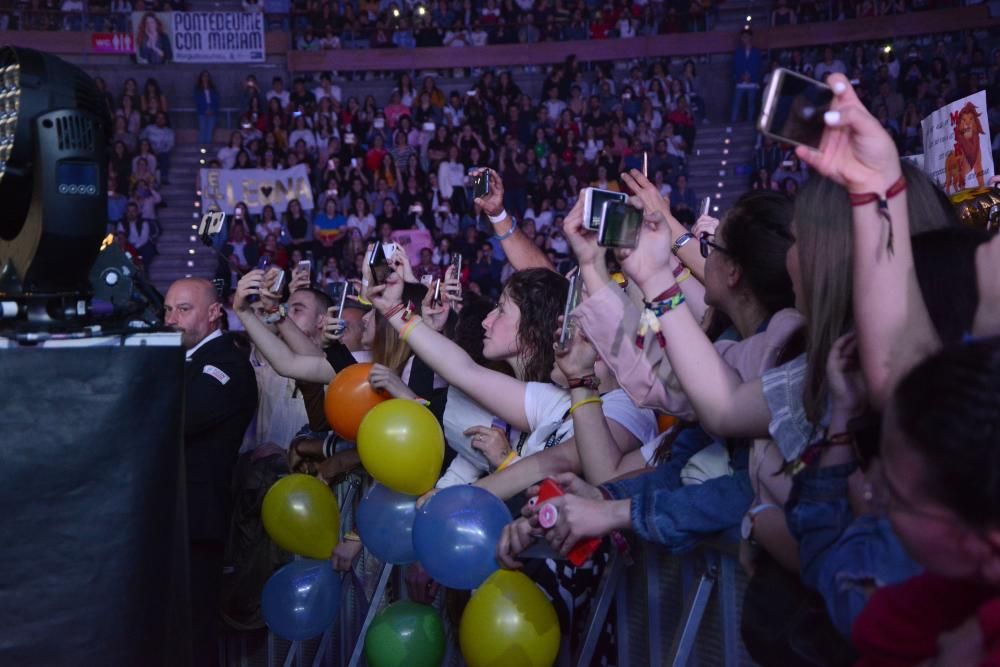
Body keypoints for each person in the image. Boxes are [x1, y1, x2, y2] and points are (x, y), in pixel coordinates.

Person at [163, 278, 257, 667]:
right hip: (172, 515)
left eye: (183, 309)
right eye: (168, 310)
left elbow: (179, 418)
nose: (172, 319)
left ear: (216, 312)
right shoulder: (183, 360)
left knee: (193, 629)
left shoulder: (225, 363)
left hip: (197, 517)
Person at [731, 29, 762, 123]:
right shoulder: (738, 52)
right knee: (736, 103)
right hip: (740, 81)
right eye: (743, 37)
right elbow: (735, 66)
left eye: (746, 37)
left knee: (751, 104)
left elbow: (758, 66)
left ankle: (749, 123)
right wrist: (742, 76)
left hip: (752, 82)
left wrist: (750, 76)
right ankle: (733, 123)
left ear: (750, 38)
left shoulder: (756, 52)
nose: (745, 39)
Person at [194, 71, 220, 146]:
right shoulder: (197, 89)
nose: (205, 78)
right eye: (203, 76)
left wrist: (212, 110)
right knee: (202, 130)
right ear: (201, 78)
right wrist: (205, 110)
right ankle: (202, 149)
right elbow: (197, 101)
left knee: (209, 131)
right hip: (202, 112)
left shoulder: (213, 88)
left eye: (207, 76)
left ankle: (208, 148)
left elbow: (216, 101)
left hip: (212, 111)